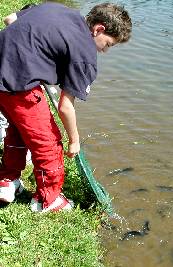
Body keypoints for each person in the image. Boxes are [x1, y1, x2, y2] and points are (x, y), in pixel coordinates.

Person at [0, 2, 132, 212]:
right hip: (18, 86)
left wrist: (32, 58)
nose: (105, 51)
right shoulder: (86, 55)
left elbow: (10, 20)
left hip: (2, 74)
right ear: (99, 29)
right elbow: (65, 107)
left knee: (18, 129)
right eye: (107, 45)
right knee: (49, 142)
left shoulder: (58, 10)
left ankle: (7, 182)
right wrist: (74, 140)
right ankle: (48, 199)